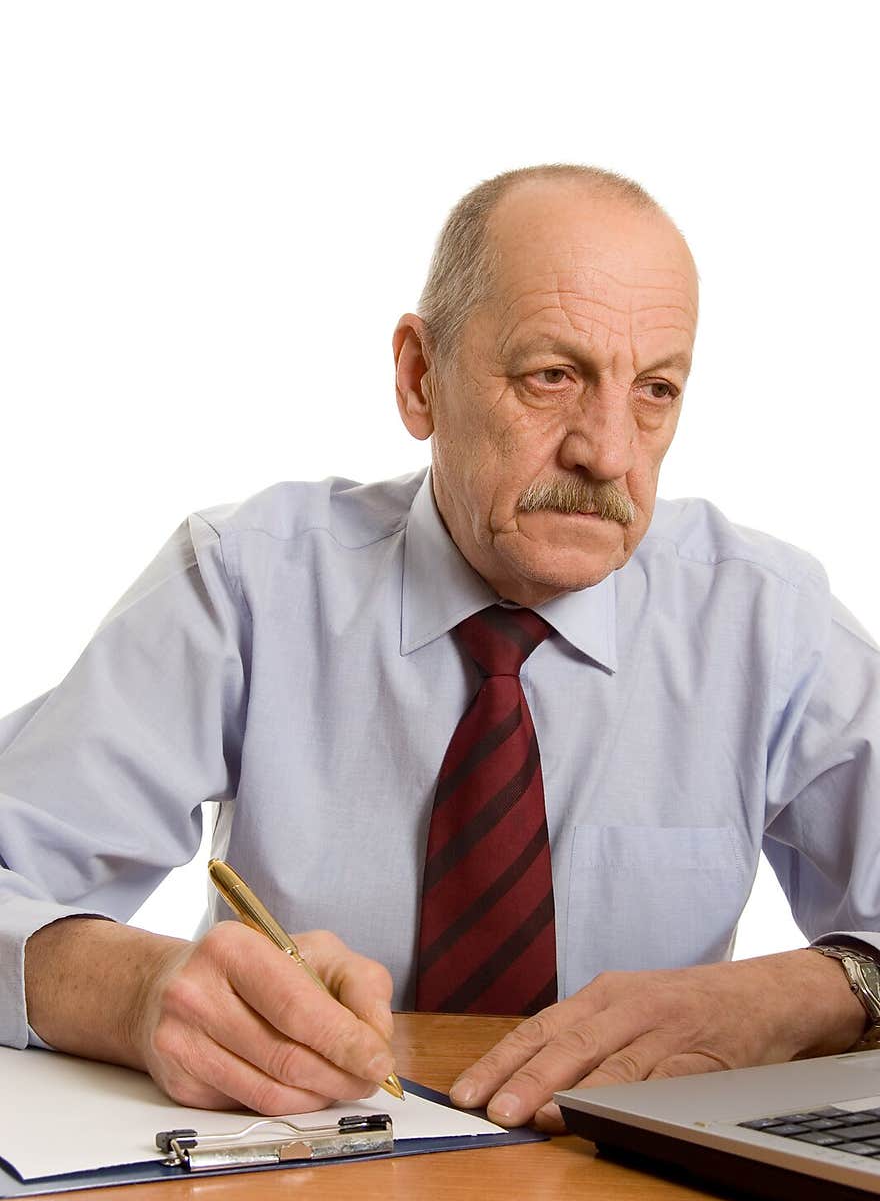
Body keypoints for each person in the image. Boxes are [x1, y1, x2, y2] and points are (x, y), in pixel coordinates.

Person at [3, 164, 879, 1136]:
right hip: (293, 1190)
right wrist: (134, 990)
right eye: (553, 375)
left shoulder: (768, 624)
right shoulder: (248, 582)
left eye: (655, 390)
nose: (608, 452)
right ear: (420, 378)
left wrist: (816, 989)